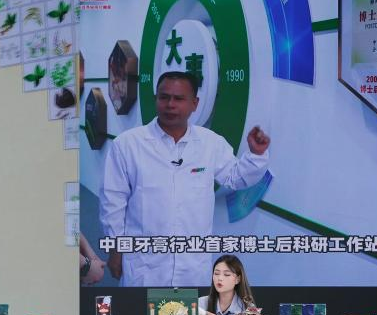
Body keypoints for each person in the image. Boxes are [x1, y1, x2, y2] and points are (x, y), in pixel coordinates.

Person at [100, 71, 272, 287]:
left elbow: (235, 177)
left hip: (192, 266)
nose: (170, 105)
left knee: (190, 310)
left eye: (179, 98)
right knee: (142, 309)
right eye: (164, 97)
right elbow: (113, 200)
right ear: (155, 99)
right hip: (145, 265)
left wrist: (256, 154)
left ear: (194, 104)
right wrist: (116, 248)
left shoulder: (210, 144)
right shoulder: (128, 144)